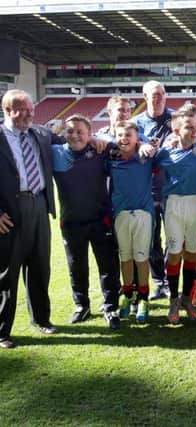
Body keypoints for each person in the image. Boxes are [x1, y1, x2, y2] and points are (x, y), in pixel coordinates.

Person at [0, 89, 58, 349]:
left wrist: (104, 142)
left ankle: (41, 320)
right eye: (24, 109)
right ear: (8, 110)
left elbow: (73, 138)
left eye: (32, 109)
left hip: (39, 206)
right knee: (6, 274)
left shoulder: (41, 134)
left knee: (40, 267)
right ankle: (2, 331)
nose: (30, 114)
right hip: (9, 213)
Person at [52, 114, 121, 329]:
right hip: (72, 222)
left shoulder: (101, 151)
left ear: (89, 134)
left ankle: (110, 307)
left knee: (108, 266)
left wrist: (104, 140)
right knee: (77, 267)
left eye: (80, 131)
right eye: (70, 131)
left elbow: (123, 144)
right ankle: (82, 306)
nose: (75, 135)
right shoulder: (56, 153)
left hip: (101, 219)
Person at [151, 108, 196, 324]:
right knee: (175, 252)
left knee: (192, 253)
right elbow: (147, 162)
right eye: (189, 127)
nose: (195, 130)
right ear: (176, 130)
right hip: (174, 204)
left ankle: (187, 298)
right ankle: (174, 300)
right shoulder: (166, 151)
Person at [108, 121, 156, 323]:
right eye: (120, 135)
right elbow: (97, 141)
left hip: (143, 213)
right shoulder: (109, 158)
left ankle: (143, 298)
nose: (124, 139)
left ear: (137, 138)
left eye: (129, 135)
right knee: (125, 258)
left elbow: (157, 147)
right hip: (120, 214)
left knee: (141, 258)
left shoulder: (146, 156)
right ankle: (128, 296)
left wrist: (147, 144)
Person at [132, 80, 173, 301]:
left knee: (173, 238)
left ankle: (169, 280)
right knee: (151, 239)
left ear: (165, 96)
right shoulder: (135, 123)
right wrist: (140, 146)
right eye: (152, 94)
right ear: (144, 96)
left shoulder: (176, 119)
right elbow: (121, 140)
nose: (157, 98)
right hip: (146, 190)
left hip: (173, 188)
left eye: (160, 94)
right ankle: (159, 281)